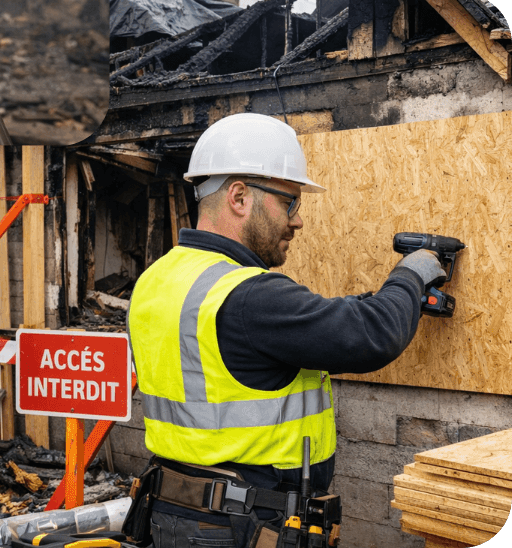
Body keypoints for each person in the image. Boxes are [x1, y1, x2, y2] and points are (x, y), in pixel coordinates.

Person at [124, 112, 447, 548]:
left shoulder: (157, 280)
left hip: (173, 515)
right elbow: (371, 336)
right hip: (240, 526)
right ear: (239, 197)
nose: (297, 221)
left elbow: (308, 321)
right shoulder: (248, 296)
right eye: (289, 202)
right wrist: (411, 275)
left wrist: (370, 301)